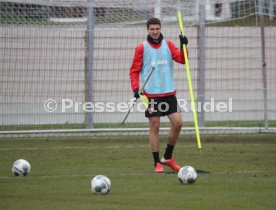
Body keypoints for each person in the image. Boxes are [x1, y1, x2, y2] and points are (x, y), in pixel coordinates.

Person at [129, 17, 188, 173]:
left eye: (157, 29)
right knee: (155, 126)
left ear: (160, 29)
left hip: (168, 92)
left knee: (178, 123)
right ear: (147, 30)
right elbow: (134, 70)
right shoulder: (141, 47)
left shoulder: (168, 45)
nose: (155, 32)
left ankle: (167, 157)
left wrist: (184, 46)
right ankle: (157, 163)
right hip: (151, 94)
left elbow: (183, 60)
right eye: (152, 29)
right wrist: (135, 88)